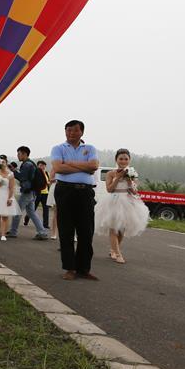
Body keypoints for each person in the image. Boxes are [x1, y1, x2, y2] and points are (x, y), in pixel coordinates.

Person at [51, 120, 100, 281]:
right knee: (66, 230)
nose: (71, 133)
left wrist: (70, 163)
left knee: (86, 231)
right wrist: (83, 166)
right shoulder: (58, 148)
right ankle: (70, 268)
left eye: (75, 131)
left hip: (85, 193)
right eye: (68, 130)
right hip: (65, 191)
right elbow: (58, 169)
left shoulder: (90, 148)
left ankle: (83, 269)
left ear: (82, 132)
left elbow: (93, 166)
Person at [95, 149, 150, 264]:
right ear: (116, 160)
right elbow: (109, 189)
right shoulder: (111, 173)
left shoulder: (132, 173)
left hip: (127, 202)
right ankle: (118, 254)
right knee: (113, 228)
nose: (123, 161)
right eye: (121, 158)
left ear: (129, 160)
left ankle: (113, 250)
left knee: (121, 230)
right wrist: (118, 178)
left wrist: (130, 182)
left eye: (126, 159)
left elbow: (135, 192)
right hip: (113, 201)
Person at [7, 146, 49, 240]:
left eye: (19, 153)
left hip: (27, 191)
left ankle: (13, 232)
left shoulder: (26, 165)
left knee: (17, 211)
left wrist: (13, 170)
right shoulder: (31, 163)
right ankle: (42, 232)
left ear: (24, 154)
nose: (17, 155)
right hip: (33, 191)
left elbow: (22, 177)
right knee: (31, 212)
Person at [47, 166, 59, 239]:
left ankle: (72, 235)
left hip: (68, 188)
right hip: (56, 188)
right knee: (56, 212)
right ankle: (54, 233)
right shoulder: (55, 167)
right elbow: (50, 179)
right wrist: (57, 179)